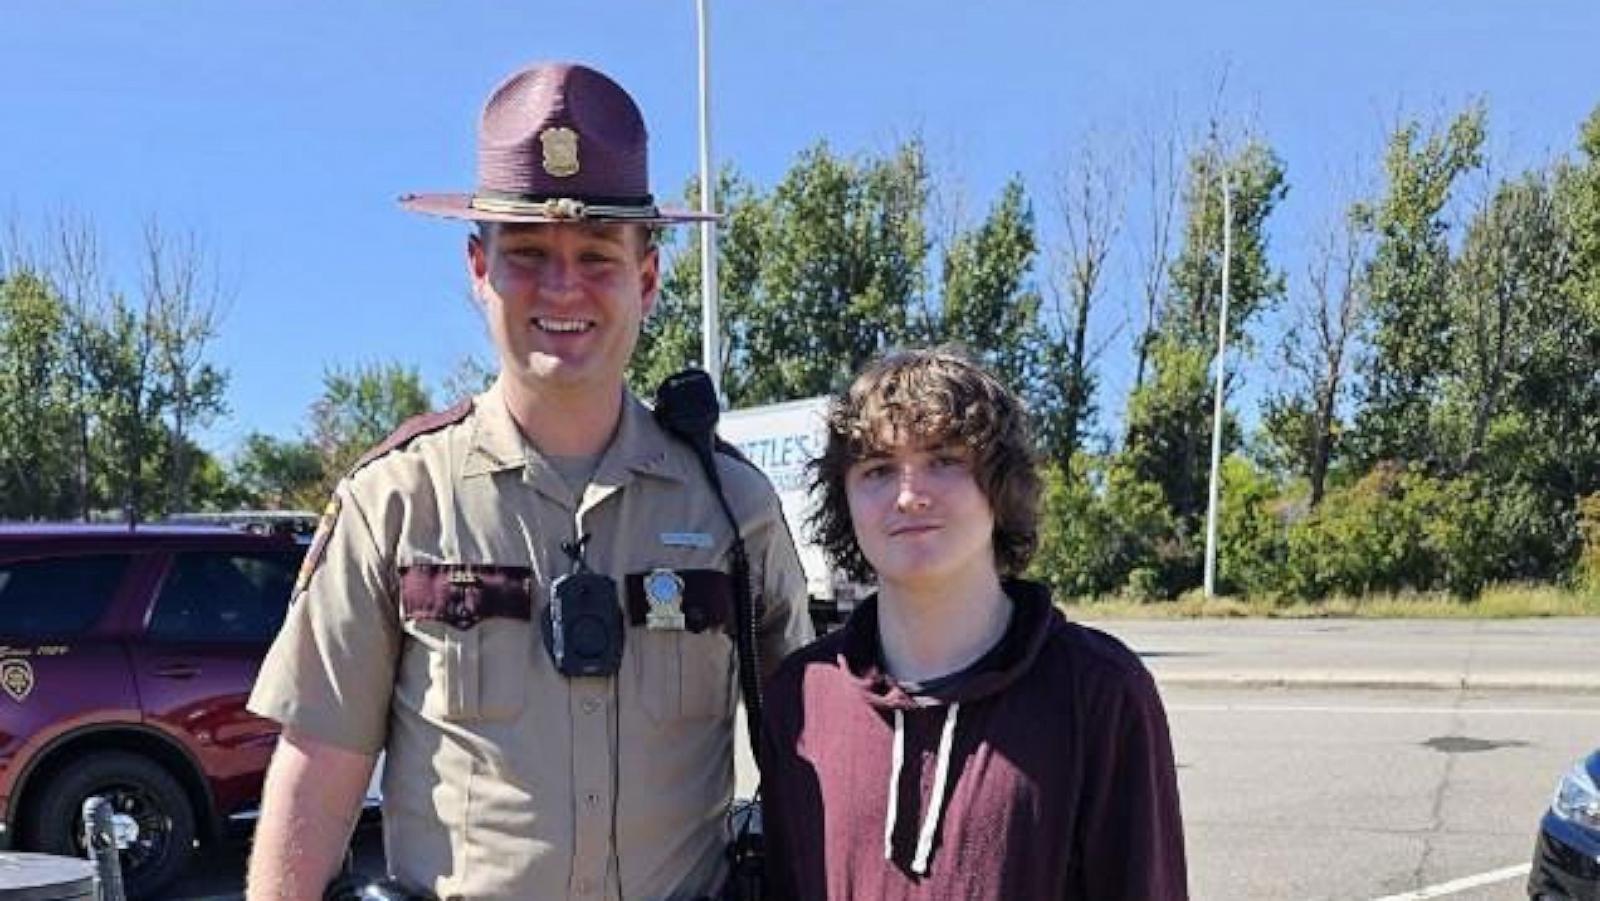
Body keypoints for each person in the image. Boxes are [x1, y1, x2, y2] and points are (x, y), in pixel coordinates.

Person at [245, 61, 813, 900]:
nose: (561, 285)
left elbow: (812, 761)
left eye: (595, 255)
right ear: (478, 269)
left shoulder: (732, 507)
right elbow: (317, 771)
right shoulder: (396, 502)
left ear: (648, 279)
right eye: (528, 253)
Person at [760, 348, 1187, 900]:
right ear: (844, 499)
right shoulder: (802, 694)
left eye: (944, 460)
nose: (909, 496)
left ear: (1001, 485)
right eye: (878, 469)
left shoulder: (1099, 690)